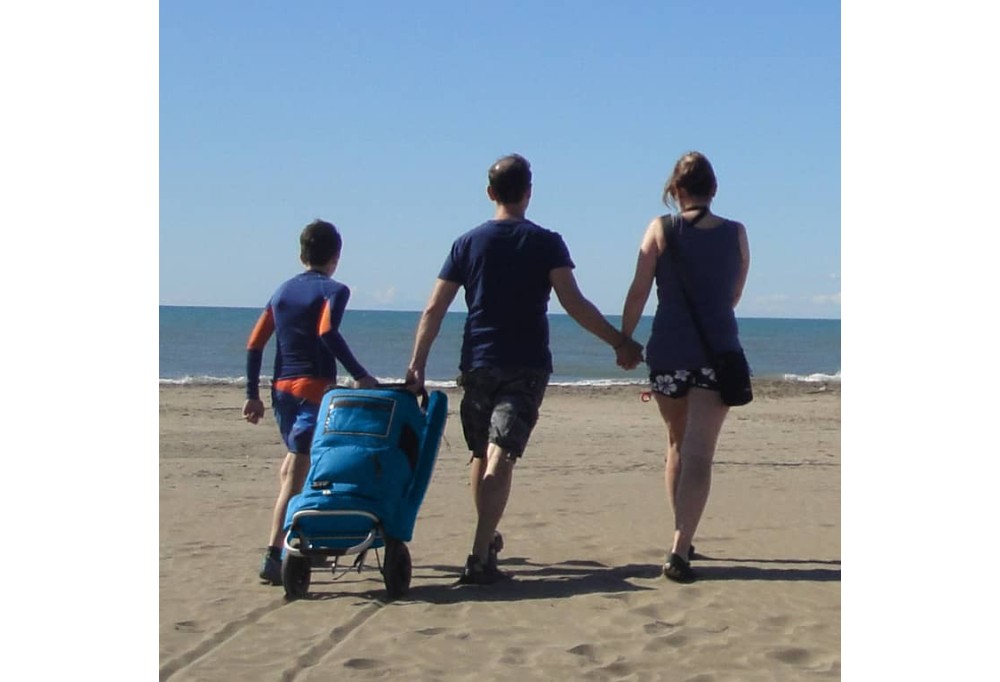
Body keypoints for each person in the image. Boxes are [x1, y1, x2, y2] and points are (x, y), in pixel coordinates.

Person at [405, 153, 643, 585]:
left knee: (483, 454)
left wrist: (417, 364)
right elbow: (575, 304)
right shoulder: (546, 242)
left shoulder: (467, 243)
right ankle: (479, 556)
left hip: (477, 362)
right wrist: (619, 342)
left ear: (490, 193)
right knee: (497, 456)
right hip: (525, 364)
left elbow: (433, 309)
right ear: (529, 192)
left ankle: (485, 539)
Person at [620, 151, 750, 584]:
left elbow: (639, 290)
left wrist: (624, 337)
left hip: (668, 352)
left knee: (676, 445)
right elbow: (733, 295)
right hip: (717, 353)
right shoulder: (736, 233)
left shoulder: (661, 228)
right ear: (713, 190)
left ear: (675, 190)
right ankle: (680, 547)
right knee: (700, 454)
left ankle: (682, 535)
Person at [243, 219, 378, 585]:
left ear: (301, 253)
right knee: (299, 471)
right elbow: (326, 332)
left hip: (281, 392)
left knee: (292, 465)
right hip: (313, 391)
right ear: (337, 256)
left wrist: (252, 394)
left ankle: (297, 542)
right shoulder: (334, 289)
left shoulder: (281, 292)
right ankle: (277, 553)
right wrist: (361, 374)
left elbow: (255, 343)